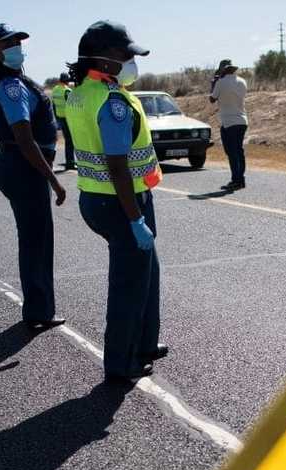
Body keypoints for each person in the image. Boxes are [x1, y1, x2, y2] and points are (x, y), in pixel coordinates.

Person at [66, 21, 167, 382]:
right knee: (128, 285)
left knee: (147, 273)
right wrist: (135, 218)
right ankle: (121, 364)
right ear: (102, 58)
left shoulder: (81, 92)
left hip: (99, 197)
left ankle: (145, 343)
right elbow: (118, 165)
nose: (130, 61)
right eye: (124, 55)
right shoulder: (111, 102)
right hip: (121, 202)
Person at [0, 23, 68, 329]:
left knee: (34, 238)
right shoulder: (10, 85)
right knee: (37, 240)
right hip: (24, 166)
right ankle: (39, 312)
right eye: (11, 43)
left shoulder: (4, 80)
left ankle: (39, 307)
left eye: (19, 42)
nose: (18, 47)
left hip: (15, 163)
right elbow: (24, 138)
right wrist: (53, 179)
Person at [209, 59, 248, 191]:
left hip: (228, 122)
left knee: (231, 152)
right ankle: (241, 179)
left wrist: (214, 84)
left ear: (223, 71)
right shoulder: (243, 81)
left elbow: (212, 99)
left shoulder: (220, 82)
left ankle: (235, 180)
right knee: (239, 150)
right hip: (242, 120)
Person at [50, 73, 76, 170]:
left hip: (60, 118)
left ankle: (70, 161)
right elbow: (73, 106)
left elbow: (53, 104)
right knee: (70, 141)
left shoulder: (55, 89)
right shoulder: (67, 91)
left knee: (67, 140)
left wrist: (56, 117)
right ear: (67, 81)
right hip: (69, 119)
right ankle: (70, 162)